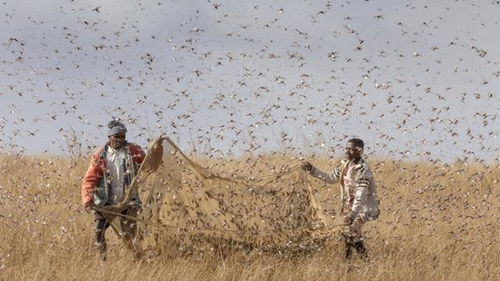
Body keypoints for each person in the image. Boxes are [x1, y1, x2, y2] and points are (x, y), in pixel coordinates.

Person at [302, 138, 379, 259]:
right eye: (347, 148)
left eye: (351, 149)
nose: (347, 151)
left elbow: (361, 195)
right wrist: (312, 169)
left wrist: (352, 214)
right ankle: (355, 263)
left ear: (360, 151)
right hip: (349, 205)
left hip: (362, 207)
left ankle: (357, 262)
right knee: (350, 233)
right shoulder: (345, 164)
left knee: (352, 231)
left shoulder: (363, 170)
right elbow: (330, 177)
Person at [81, 119, 146, 259]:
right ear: (109, 137)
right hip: (105, 203)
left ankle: (137, 261)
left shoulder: (133, 150)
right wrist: (87, 199)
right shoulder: (100, 155)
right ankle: (102, 260)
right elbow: (89, 179)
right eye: (117, 137)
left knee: (130, 236)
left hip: (127, 201)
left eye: (123, 137)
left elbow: (148, 163)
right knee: (99, 231)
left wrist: (157, 146)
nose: (120, 140)